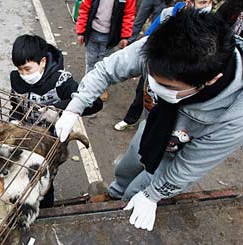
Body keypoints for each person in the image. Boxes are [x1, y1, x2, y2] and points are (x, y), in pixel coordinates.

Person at [55, 10, 243, 231]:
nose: (154, 86)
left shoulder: (234, 114)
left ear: (211, 80)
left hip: (176, 155)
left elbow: (190, 166)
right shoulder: (160, 46)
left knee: (137, 191)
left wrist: (152, 195)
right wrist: (74, 108)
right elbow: (106, 70)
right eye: (151, 77)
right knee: (126, 169)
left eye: (168, 87)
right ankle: (113, 195)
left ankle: (120, 211)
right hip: (150, 129)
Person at [9, 34, 104, 208]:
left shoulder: (61, 81)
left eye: (27, 69)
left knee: (45, 180)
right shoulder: (16, 80)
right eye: (19, 69)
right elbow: (15, 107)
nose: (23, 74)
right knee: (19, 176)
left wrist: (58, 109)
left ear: (43, 62)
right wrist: (14, 122)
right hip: (25, 140)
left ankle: (46, 209)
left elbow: (95, 103)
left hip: (51, 143)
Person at [114, 0, 213, 131]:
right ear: (188, 2)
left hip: (179, 77)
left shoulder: (210, 25)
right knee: (142, 95)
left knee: (166, 108)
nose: (206, 6)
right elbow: (149, 38)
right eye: (202, 2)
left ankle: (151, 128)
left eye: (209, 2)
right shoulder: (169, 14)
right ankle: (130, 119)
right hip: (156, 68)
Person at [76, 0, 135, 76]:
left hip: (110, 37)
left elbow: (128, 14)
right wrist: (81, 31)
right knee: (91, 61)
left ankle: (97, 84)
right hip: (92, 32)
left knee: (103, 65)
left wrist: (125, 36)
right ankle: (88, 84)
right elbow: (84, 8)